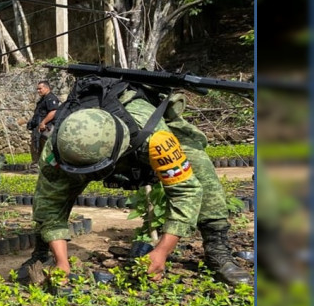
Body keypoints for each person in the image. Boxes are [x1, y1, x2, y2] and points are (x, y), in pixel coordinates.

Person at [16, 76, 252, 286]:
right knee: (47, 198)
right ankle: (44, 253)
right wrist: (62, 262)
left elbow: (186, 191)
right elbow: (49, 202)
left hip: (137, 135)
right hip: (83, 152)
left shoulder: (156, 138)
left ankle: (217, 249)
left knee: (200, 166)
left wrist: (161, 252)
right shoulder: (58, 149)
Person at [26, 80, 61, 163]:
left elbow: (53, 112)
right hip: (39, 130)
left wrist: (43, 122)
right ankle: (37, 166)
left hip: (46, 129)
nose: (38, 91)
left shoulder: (51, 98)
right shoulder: (43, 99)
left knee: (48, 150)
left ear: (46, 88)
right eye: (37, 89)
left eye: (40, 89)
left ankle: (52, 167)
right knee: (37, 149)